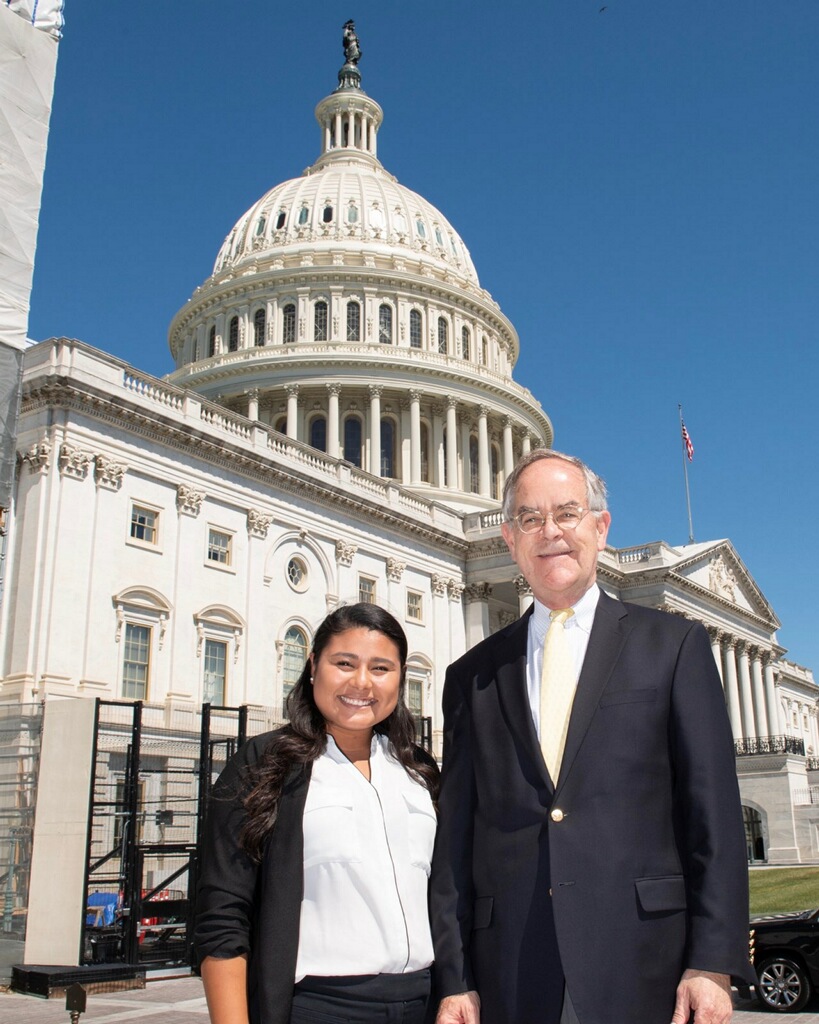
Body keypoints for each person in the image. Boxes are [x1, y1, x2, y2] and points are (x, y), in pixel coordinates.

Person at [429, 450, 755, 1024]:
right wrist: (455, 978)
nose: (549, 532)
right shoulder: (472, 675)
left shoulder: (673, 646)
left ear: (600, 528)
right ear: (510, 539)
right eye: (530, 518)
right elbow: (455, 841)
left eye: (567, 513)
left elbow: (715, 817)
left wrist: (712, 963)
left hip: (645, 964)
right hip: (510, 970)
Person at [196, 602, 440, 1024]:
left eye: (381, 668)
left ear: (401, 678)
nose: (361, 682)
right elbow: (222, 912)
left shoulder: (419, 771)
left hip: (422, 1002)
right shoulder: (264, 764)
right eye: (344, 663)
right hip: (319, 1005)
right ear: (313, 667)